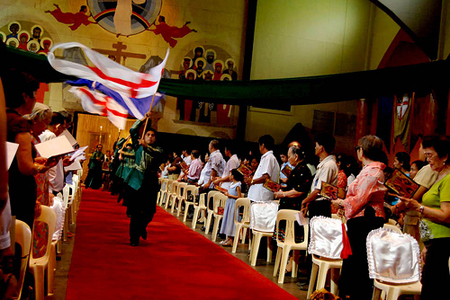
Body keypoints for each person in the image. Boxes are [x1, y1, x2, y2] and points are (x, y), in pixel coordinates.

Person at [332, 135, 388, 300]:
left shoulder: (374, 171)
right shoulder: (368, 170)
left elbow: (360, 198)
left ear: (362, 151)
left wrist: (343, 203)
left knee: (360, 263)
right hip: (360, 218)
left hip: (367, 219)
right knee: (354, 261)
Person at [397, 135, 450, 300]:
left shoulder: (448, 179)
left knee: (433, 289)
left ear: (445, 156)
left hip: (441, 241)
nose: (428, 160)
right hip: (433, 240)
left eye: (430, 156)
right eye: (426, 156)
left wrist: (418, 206)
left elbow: (446, 215)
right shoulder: (438, 176)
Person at [5, 70, 55, 228]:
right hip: (16, 194)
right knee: (15, 243)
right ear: (25, 96)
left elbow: (8, 158)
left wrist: (33, 160)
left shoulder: (3, 118)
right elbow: (25, 168)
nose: (35, 98)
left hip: (6, 187)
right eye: (34, 93)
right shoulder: (18, 124)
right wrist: (41, 167)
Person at [123, 118, 163, 246]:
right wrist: (142, 119)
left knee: (150, 212)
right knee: (135, 212)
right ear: (143, 136)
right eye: (148, 135)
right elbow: (133, 130)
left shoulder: (158, 150)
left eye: (152, 135)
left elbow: (156, 154)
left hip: (150, 182)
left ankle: (142, 227)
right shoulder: (137, 145)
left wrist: (146, 147)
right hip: (137, 181)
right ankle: (133, 238)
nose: (150, 137)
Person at [301, 133, 338, 219]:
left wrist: (304, 201)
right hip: (316, 203)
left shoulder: (328, 165)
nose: (315, 148)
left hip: (321, 205)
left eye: (316, 145)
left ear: (322, 148)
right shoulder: (324, 164)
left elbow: (318, 190)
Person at [247, 135, 279, 202]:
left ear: (263, 145)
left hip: (261, 196)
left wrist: (252, 181)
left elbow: (265, 177)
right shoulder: (267, 157)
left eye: (259, 146)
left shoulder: (269, 157)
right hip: (258, 195)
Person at [219, 169, 243, 246]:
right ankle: (228, 237)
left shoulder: (238, 185)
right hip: (229, 203)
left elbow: (239, 196)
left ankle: (232, 238)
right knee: (228, 219)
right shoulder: (232, 184)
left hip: (233, 204)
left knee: (232, 220)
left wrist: (230, 195)